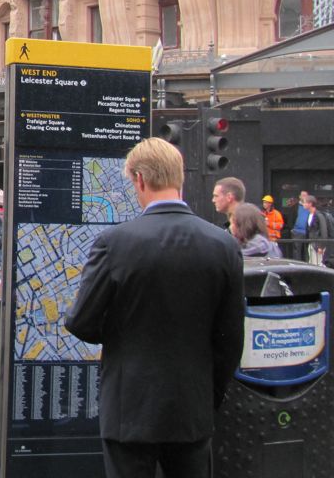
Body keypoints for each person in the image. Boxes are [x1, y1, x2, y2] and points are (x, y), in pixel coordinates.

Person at [65, 138, 244, 478]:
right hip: (192, 407)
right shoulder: (222, 246)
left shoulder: (114, 243)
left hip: (129, 407)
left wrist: (122, 331)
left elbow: (81, 321)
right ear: (181, 178)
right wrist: (209, 395)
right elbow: (231, 338)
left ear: (140, 179)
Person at [302, 194, 332, 266]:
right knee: (312, 263)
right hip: (311, 243)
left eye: (305, 202)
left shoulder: (319, 215)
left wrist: (321, 246)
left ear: (310, 204)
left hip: (318, 245)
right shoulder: (309, 215)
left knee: (318, 265)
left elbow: (324, 231)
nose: (303, 204)